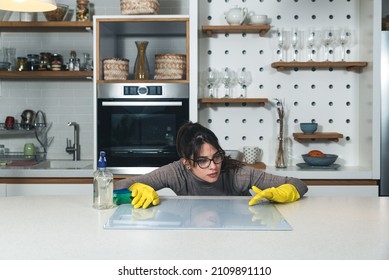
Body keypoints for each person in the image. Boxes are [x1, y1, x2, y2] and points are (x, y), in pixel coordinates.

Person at [114, 121, 308, 209]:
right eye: (202, 161)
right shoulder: (176, 172)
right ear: (187, 163)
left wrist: (285, 192)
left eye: (217, 156)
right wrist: (135, 188)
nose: (213, 166)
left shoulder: (237, 173)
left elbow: (299, 183)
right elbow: (115, 188)